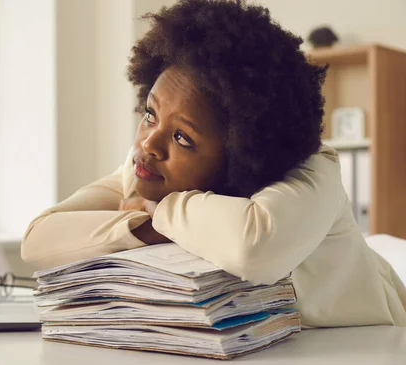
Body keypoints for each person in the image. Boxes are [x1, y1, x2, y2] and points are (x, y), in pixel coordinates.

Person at [21, 0, 406, 328]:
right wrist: (143, 226)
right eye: (150, 114)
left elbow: (254, 246)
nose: (149, 143)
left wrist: (158, 211)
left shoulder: (313, 170)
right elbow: (38, 240)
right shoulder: (146, 166)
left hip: (377, 354)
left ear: (238, 154)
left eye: (182, 138)